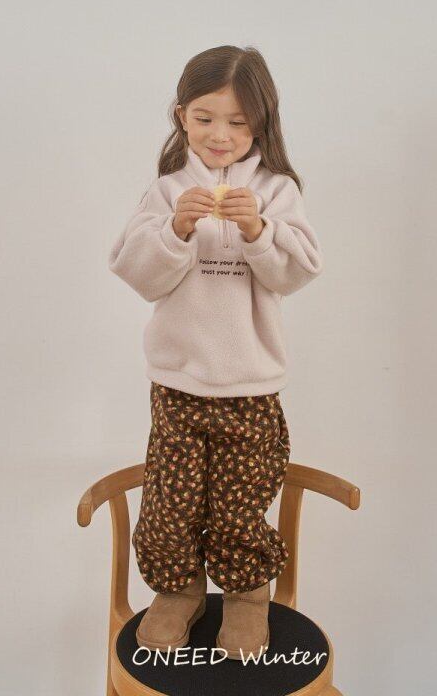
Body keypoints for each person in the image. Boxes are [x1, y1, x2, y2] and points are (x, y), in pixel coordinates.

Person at [108, 44, 323, 658]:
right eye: (204, 118)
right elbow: (138, 274)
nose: (220, 135)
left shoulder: (277, 191)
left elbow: (297, 271)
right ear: (181, 117)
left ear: (261, 123)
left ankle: (248, 594)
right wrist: (175, 228)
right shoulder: (166, 192)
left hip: (251, 387)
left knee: (239, 506)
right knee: (169, 506)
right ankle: (178, 591)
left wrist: (258, 229)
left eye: (237, 121)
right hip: (177, 384)